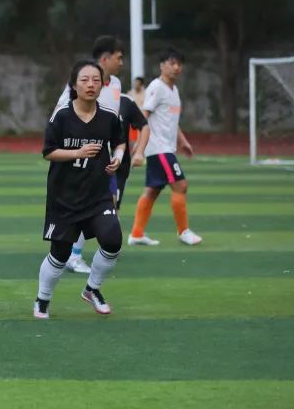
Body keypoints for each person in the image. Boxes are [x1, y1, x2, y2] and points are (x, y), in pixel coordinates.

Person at [35, 60, 126, 319]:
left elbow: (120, 142)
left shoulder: (109, 116)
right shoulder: (61, 116)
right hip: (64, 197)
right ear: (74, 85)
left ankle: (92, 289)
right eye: (84, 80)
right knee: (60, 254)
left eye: (96, 80)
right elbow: (48, 152)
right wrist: (78, 152)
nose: (90, 85)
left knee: (113, 241)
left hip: (98, 195)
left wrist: (118, 158)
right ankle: (42, 299)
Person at [54, 36, 124, 275]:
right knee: (88, 208)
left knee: (108, 206)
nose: (121, 62)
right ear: (105, 58)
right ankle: (73, 255)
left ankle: (79, 255)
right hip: (78, 162)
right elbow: (59, 116)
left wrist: (118, 152)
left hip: (104, 161)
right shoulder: (78, 87)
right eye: (118, 57)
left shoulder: (116, 84)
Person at [128, 48, 202, 246]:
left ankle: (136, 234)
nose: (176, 67)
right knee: (181, 185)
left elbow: (171, 121)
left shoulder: (174, 90)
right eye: (172, 63)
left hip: (165, 148)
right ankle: (183, 231)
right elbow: (144, 115)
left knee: (152, 190)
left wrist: (183, 141)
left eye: (179, 63)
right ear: (162, 65)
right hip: (158, 148)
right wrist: (139, 145)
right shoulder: (156, 87)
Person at [115, 89, 150, 211]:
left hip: (119, 167)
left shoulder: (126, 101)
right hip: (93, 166)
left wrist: (139, 152)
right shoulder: (88, 99)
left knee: (112, 209)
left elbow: (144, 126)